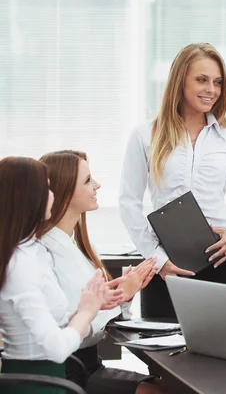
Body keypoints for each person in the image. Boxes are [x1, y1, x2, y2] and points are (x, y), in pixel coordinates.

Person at [119, 43, 226, 318]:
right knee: (161, 356)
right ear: (180, 80)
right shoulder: (145, 135)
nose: (211, 90)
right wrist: (158, 260)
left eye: (218, 82)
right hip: (163, 266)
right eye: (202, 80)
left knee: (219, 353)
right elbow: (128, 202)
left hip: (218, 262)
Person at [39, 150, 164, 394]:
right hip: (69, 372)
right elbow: (68, 329)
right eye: (87, 181)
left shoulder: (80, 245)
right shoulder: (44, 252)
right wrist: (121, 297)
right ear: (64, 191)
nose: (97, 185)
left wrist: (124, 294)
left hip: (89, 366)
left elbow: (96, 316)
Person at [0, 156, 123, 394]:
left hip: (51, 378)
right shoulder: (20, 265)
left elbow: (54, 322)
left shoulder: (32, 251)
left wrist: (90, 307)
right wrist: (86, 312)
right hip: (35, 385)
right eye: (46, 188)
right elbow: (55, 348)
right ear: (29, 197)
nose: (52, 194)